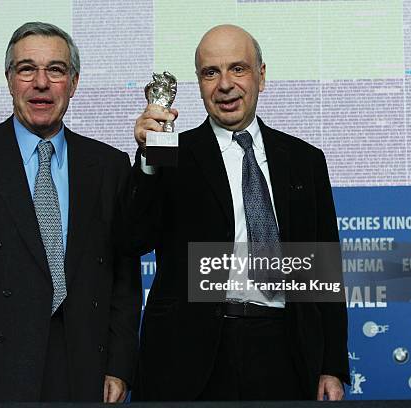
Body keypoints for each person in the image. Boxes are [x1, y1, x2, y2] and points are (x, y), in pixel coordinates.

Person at [0, 22, 140, 403]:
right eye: (26, 69)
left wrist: (119, 364)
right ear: (9, 79)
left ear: (74, 82)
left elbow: (124, 279)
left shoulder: (109, 165)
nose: (41, 83)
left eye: (55, 70)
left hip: (81, 370)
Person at [128, 25, 349, 401]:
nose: (225, 84)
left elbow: (322, 269)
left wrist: (331, 363)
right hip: (189, 355)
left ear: (261, 76)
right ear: (198, 83)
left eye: (238, 68)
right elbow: (134, 236)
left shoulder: (305, 160)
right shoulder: (170, 150)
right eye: (210, 73)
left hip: (284, 348)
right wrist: (149, 157)